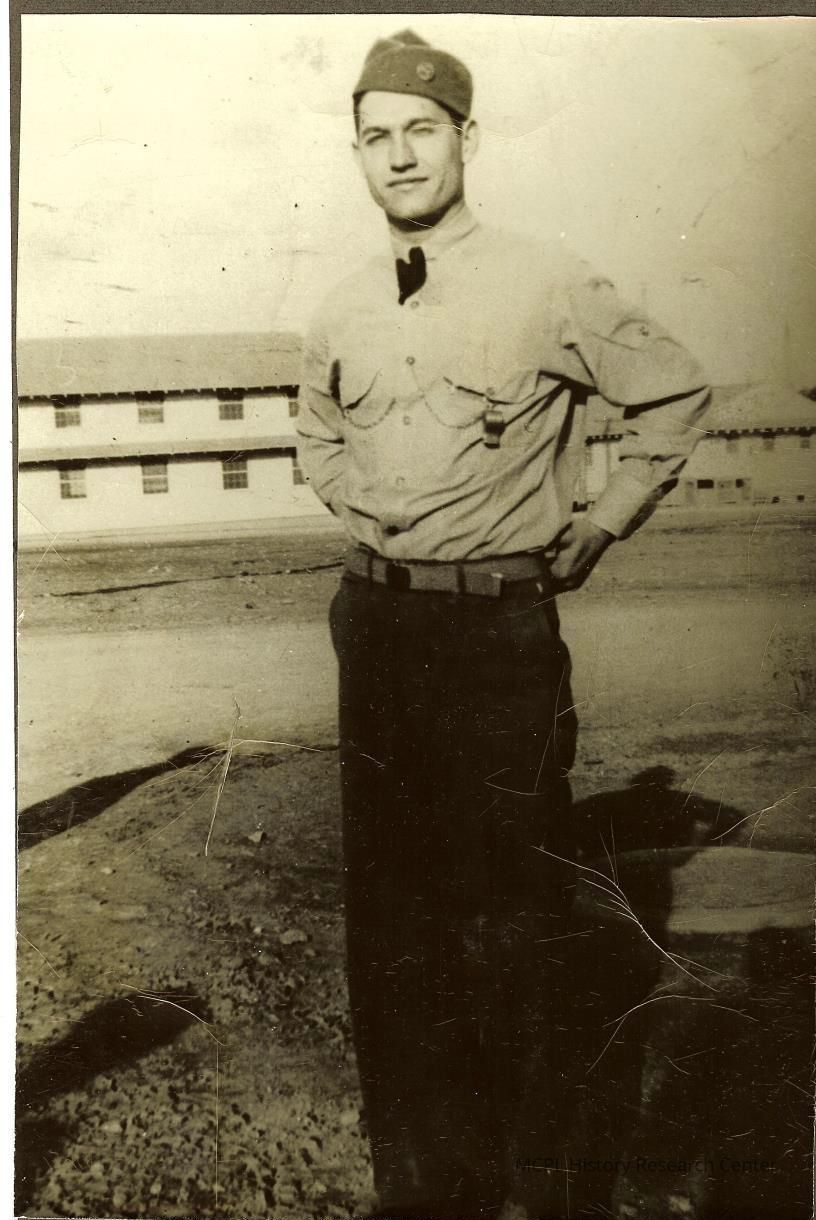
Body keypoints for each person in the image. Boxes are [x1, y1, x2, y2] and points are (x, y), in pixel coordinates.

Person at [297, 29, 711, 1220]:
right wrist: (381, 522)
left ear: (465, 138)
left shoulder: (547, 282)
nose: (398, 156)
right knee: (390, 921)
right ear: (357, 155)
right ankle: (419, 1185)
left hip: (496, 641)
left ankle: (531, 1186)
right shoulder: (341, 307)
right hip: (376, 630)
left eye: (420, 131)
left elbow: (677, 393)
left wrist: (603, 521)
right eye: (375, 137)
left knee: (507, 916)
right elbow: (316, 435)